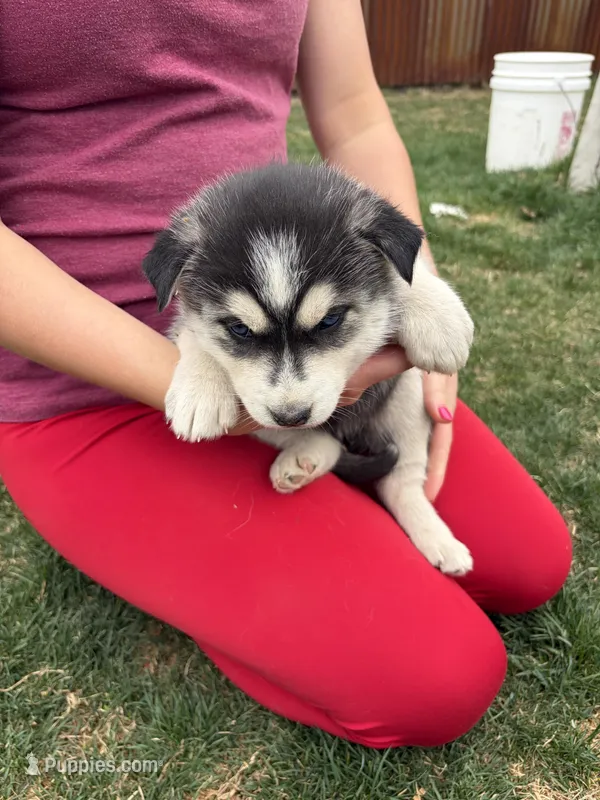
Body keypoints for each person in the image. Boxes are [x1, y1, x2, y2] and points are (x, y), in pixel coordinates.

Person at [0, 0, 571, 748]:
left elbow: (356, 116)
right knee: (436, 682)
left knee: (531, 565)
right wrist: (197, 372)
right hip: (82, 385)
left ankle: (331, 495)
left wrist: (413, 286)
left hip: (300, 284)